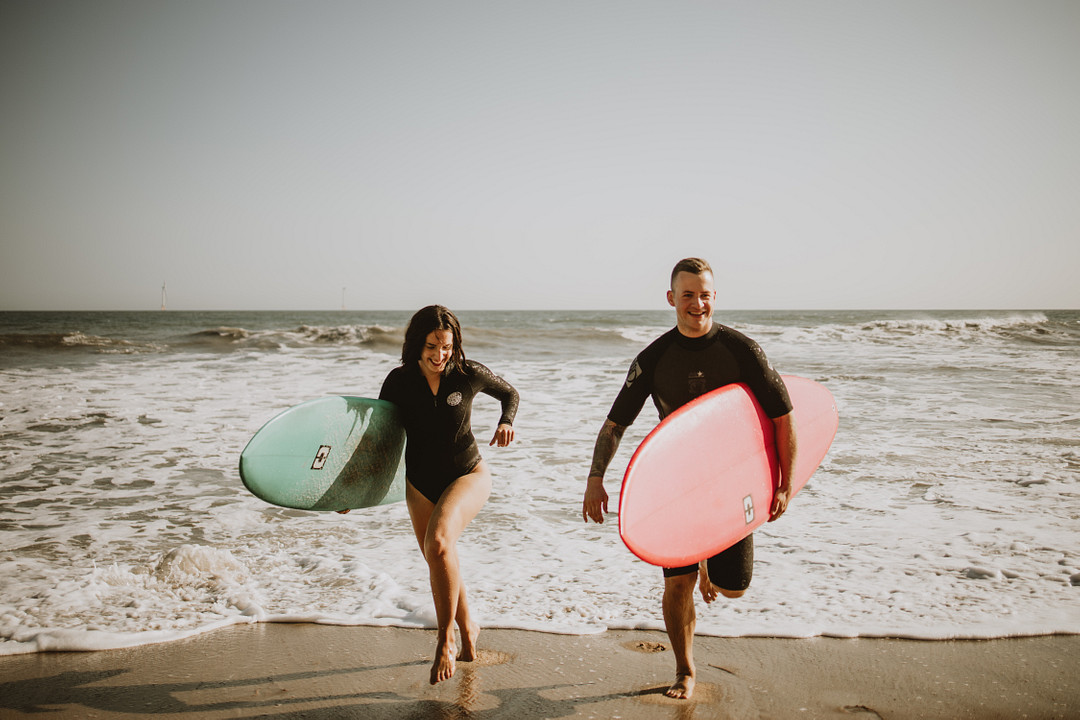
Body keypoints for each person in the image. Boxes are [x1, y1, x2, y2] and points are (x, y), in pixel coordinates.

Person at [581, 258, 797, 700]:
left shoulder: (743, 351)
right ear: (671, 299)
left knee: (732, 588)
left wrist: (784, 482)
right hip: (675, 482)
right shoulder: (654, 358)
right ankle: (685, 670)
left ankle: (707, 565)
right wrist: (595, 478)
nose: (696, 304)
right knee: (675, 583)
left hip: (729, 482)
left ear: (714, 297)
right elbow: (615, 423)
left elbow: (784, 415)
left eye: (704, 294)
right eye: (687, 295)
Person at [378, 305, 519, 684]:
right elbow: (381, 442)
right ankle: (469, 627)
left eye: (447, 346)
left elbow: (510, 394)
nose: (440, 355)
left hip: (468, 473)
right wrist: (355, 489)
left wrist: (506, 422)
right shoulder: (398, 382)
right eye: (432, 346)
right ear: (416, 344)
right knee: (439, 556)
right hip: (420, 483)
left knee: (439, 542)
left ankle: (446, 639)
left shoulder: (467, 373)